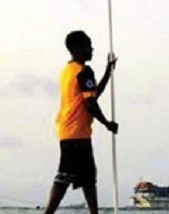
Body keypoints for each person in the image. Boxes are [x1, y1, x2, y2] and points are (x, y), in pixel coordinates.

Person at [43, 30, 118, 214]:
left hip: (69, 130)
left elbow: (92, 95)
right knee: (66, 175)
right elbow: (90, 103)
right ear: (77, 48)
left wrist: (108, 71)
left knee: (87, 177)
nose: (92, 49)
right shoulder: (84, 71)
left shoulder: (67, 71)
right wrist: (107, 123)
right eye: (88, 46)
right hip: (76, 131)